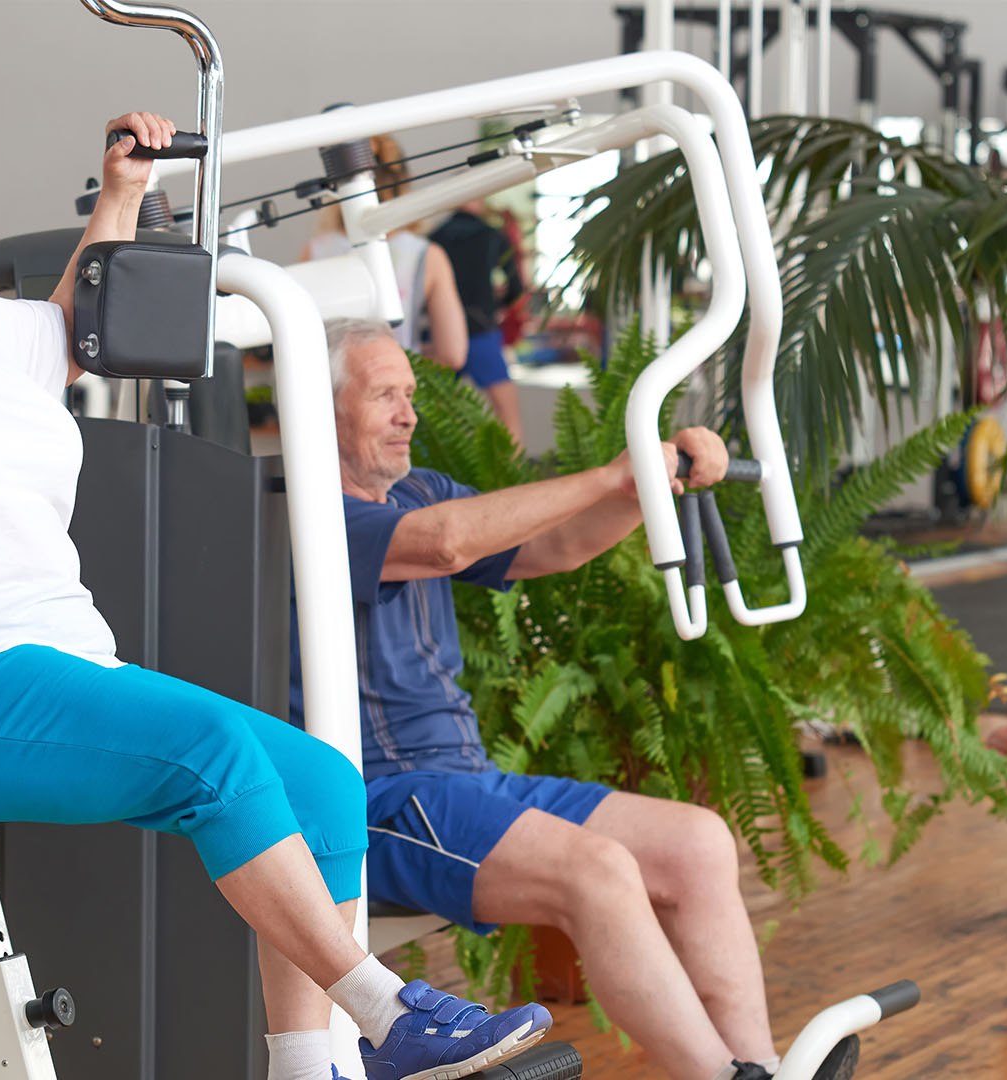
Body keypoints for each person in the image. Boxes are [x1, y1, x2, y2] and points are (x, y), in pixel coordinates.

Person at [0, 88, 551, 1080]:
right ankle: (387, 1011)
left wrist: (121, 194)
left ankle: (308, 1068)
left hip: (56, 656)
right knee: (211, 756)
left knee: (324, 787)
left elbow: (67, 326)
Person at [292, 319, 863, 1080]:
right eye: (386, 396)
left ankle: (758, 1064)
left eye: (412, 394)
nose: (410, 415)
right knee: (598, 870)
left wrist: (650, 487)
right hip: (383, 801)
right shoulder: (304, 508)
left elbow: (552, 547)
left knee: (698, 844)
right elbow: (444, 545)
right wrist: (612, 473)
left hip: (462, 778)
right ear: (317, 404)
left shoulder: (420, 489)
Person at [301, 134, 468, 373]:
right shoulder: (427, 255)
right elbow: (453, 354)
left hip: (331, 395)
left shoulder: (315, 250)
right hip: (393, 387)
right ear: (402, 183)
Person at [428, 200, 525, 443]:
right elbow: (516, 287)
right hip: (480, 329)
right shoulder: (492, 236)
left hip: (440, 335)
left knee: (436, 417)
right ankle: (513, 475)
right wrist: (495, 303)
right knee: (507, 414)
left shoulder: (433, 238)